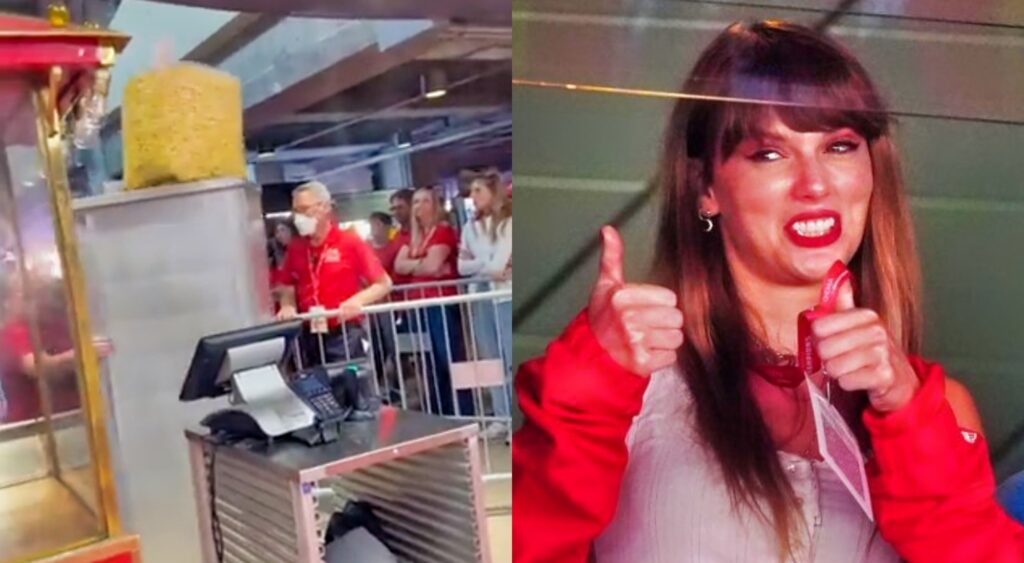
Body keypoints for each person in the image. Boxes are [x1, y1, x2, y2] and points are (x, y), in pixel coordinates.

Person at [512, 20, 1024, 563]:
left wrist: (903, 412)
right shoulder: (629, 385)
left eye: (840, 146)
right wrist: (592, 385)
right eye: (769, 154)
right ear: (705, 187)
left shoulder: (930, 407)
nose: (815, 184)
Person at [276, 181, 392, 368]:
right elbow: (287, 284)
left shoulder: (349, 242)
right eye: (296, 211)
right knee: (317, 389)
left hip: (344, 330)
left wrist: (358, 300)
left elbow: (383, 283)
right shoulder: (296, 248)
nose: (299, 217)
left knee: (350, 387)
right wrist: (287, 305)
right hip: (310, 331)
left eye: (305, 209)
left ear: (324, 207)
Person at [394, 186, 473, 416]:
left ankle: (465, 411)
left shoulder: (442, 231)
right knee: (428, 364)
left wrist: (417, 266)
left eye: (425, 201)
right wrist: (422, 266)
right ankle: (441, 413)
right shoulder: (412, 237)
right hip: (417, 307)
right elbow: (400, 266)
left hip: (441, 305)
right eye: (416, 201)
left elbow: (433, 265)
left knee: (450, 360)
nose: (419, 206)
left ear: (435, 205)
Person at [0, 274, 112, 423]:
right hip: (35, 429)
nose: (43, 301)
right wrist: (80, 355)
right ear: (11, 302)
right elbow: (36, 367)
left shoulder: (61, 324)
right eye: (29, 296)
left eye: (44, 293)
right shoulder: (14, 332)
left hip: (81, 420)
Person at [457, 169, 513, 438]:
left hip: (504, 297)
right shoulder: (470, 227)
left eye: (479, 190)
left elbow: (500, 266)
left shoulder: (508, 223)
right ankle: (501, 416)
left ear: (493, 192)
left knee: (510, 356)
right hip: (480, 297)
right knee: (491, 359)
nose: (473, 196)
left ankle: (516, 413)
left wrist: (483, 267)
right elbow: (462, 266)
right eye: (472, 191)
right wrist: (484, 267)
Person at [387, 189, 414, 291]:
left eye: (400, 208)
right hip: (398, 295)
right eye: (393, 209)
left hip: (419, 294)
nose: (396, 212)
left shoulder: (422, 234)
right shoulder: (396, 235)